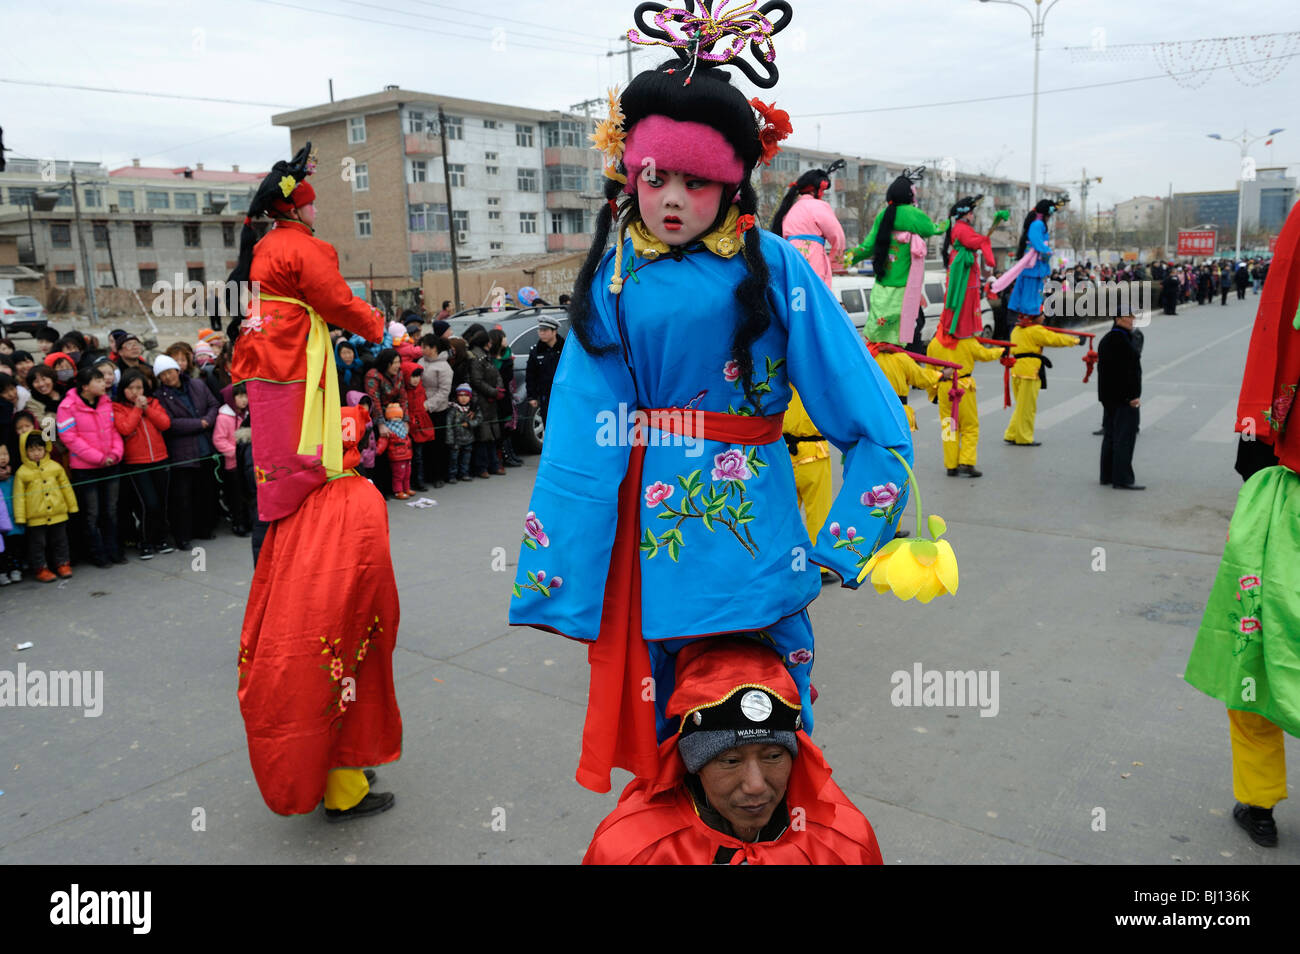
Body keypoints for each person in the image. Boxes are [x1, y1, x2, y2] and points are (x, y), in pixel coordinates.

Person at [510, 14, 919, 796]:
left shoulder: (776, 268)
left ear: (734, 182)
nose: (670, 200)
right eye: (655, 177)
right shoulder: (613, 271)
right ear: (629, 170)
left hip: (756, 540)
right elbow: (578, 435)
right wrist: (566, 566)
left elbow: (872, 420)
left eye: (695, 183)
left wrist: (843, 540)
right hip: (649, 544)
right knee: (676, 742)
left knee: (764, 737)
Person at [226, 142, 401, 820]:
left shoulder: (264, 254)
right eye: (312, 197)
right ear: (297, 203)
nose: (318, 206)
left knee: (281, 455)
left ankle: (294, 480)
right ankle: (312, 470)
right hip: (297, 360)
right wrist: (376, 323)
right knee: (311, 447)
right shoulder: (300, 247)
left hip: (273, 360)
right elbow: (338, 300)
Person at [1184, 200, 1300, 848]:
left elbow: (1279, 306)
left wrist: (1258, 424)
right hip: (1288, 476)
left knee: (1253, 643)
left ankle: (1257, 799)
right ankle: (1256, 798)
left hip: (1286, 484)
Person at [584, 638, 883, 864]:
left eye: (773, 756)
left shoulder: (843, 843)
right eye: (730, 760)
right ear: (693, 763)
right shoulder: (633, 852)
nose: (755, 785)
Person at [847, 169, 946, 346]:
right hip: (903, 286)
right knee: (900, 333)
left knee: (878, 330)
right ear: (911, 195)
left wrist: (845, 258)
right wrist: (948, 223)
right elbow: (932, 229)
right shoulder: (913, 214)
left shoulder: (883, 215)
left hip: (881, 283)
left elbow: (867, 247)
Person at [58, 365, 125, 566]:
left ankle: (114, 550)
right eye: (98, 380)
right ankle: (98, 554)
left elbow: (114, 431)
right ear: (85, 386)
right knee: (91, 513)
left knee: (111, 510)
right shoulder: (67, 407)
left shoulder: (106, 402)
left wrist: (115, 453)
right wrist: (98, 457)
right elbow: (70, 438)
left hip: (111, 464)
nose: (104, 382)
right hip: (85, 469)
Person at [153, 354, 219, 547]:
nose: (167, 377)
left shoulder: (197, 385)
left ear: (177, 370)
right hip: (182, 452)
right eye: (162, 375)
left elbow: (214, 404)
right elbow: (170, 423)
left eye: (169, 372)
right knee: (182, 497)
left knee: (205, 492)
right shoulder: (160, 396)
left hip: (205, 447)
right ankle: (183, 535)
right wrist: (200, 423)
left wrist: (208, 419)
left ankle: (204, 529)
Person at [926, 326, 1004, 477]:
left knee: (949, 427)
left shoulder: (934, 344)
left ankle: (951, 465)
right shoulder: (967, 342)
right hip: (963, 388)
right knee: (969, 427)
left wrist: (933, 393)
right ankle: (966, 462)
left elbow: (930, 371)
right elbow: (985, 354)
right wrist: (1000, 351)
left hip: (944, 389)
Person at [113, 369, 174, 559]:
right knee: (149, 504)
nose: (135, 392)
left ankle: (161, 539)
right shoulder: (118, 407)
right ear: (123, 389)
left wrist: (147, 408)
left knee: (162, 502)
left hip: (160, 458)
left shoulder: (154, 403)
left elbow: (165, 424)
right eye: (130, 388)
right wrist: (138, 409)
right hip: (137, 463)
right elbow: (125, 428)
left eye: (139, 387)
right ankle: (146, 541)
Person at [1002, 314, 1082, 447]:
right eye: (1041, 315)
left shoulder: (1017, 329)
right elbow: (1054, 339)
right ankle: (1024, 438)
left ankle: (1011, 434)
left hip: (1016, 370)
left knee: (1021, 405)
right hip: (1029, 372)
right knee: (1027, 408)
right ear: (1034, 317)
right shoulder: (1035, 330)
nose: (1044, 317)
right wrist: (1075, 341)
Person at [12, 430, 78, 581]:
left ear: (46, 448)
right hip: (35, 517)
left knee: (60, 540)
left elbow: (66, 487)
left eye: (39, 449)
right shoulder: (22, 473)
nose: (36, 453)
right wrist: (20, 516)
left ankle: (63, 564)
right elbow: (19, 497)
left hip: (58, 512)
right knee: (38, 544)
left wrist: (72, 506)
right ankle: (41, 568)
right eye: (32, 450)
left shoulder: (55, 467)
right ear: (25, 451)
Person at [770, 163, 846, 288]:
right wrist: (836, 264)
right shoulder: (819, 206)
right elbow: (838, 236)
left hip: (790, 259)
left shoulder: (790, 210)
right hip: (813, 258)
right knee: (815, 296)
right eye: (822, 191)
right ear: (814, 190)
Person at [1096, 312, 1143, 490]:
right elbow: (1125, 373)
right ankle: (1122, 478)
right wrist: (1131, 396)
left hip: (1109, 397)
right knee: (1124, 438)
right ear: (1118, 319)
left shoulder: (1110, 338)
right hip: (1122, 398)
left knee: (1110, 436)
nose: (1132, 320)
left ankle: (1107, 475)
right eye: (1128, 317)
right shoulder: (1120, 341)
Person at [939, 195, 996, 339]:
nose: (973, 215)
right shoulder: (962, 229)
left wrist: (983, 241)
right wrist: (989, 258)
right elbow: (977, 242)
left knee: (962, 298)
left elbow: (978, 241)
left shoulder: (960, 228)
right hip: (964, 271)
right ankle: (962, 331)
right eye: (971, 213)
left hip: (962, 267)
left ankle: (960, 330)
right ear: (964, 215)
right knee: (964, 300)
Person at [1005, 199, 1066, 320]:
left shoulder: (1036, 223)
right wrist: (1047, 251)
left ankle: (1025, 316)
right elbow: (1036, 241)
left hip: (1034, 266)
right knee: (1030, 295)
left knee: (1028, 294)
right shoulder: (1038, 224)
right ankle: (1028, 317)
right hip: (1034, 267)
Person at [465, 324, 505, 477]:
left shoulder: (487, 356)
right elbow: (476, 381)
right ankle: (482, 467)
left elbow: (496, 374)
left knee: (493, 435)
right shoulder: (476, 358)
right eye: (488, 341)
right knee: (483, 436)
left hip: (491, 401)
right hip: (481, 400)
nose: (490, 344)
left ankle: (494, 464)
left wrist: (499, 389)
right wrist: (493, 392)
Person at [214, 383, 252, 536]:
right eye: (240, 396)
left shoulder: (248, 415)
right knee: (236, 496)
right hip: (233, 465)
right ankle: (239, 523)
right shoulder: (223, 418)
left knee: (248, 494)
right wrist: (236, 453)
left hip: (247, 463)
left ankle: (249, 522)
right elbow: (219, 440)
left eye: (246, 396)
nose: (244, 400)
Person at [418, 335, 452, 488]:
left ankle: (439, 475)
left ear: (434, 348)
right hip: (421, 406)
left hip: (437, 409)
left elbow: (444, 391)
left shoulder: (444, 367)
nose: (422, 349)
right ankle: (427, 474)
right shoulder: (421, 362)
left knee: (438, 444)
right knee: (425, 444)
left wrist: (429, 404)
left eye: (425, 347)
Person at [525, 316, 563, 427]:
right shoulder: (536, 351)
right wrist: (531, 396)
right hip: (545, 395)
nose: (541, 333)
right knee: (549, 424)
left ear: (554, 331)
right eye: (540, 330)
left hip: (563, 395)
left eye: (545, 330)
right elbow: (531, 374)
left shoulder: (565, 348)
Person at [445, 383, 478, 481]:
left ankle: (464, 473)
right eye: (461, 395)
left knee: (466, 458)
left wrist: (470, 424)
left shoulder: (472, 409)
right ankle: (452, 475)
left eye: (466, 396)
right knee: (453, 458)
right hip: (456, 439)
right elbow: (448, 425)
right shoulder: (453, 409)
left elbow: (479, 419)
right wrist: (449, 439)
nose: (464, 398)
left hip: (468, 438)